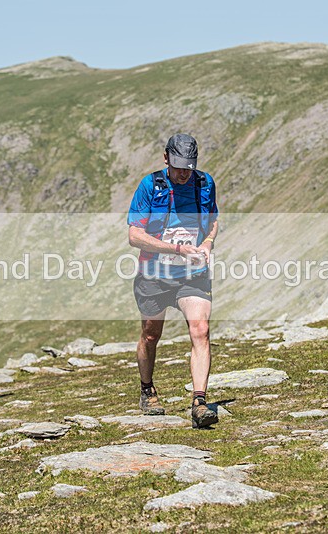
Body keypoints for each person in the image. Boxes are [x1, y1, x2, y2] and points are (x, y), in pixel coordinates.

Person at [127, 133, 220, 429]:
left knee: (200, 329)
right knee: (151, 335)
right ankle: (147, 389)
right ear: (166, 158)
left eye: (189, 167)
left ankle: (199, 402)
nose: (183, 174)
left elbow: (213, 221)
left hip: (192, 275)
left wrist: (207, 244)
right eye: (178, 167)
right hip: (153, 275)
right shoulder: (150, 186)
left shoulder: (204, 183)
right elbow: (134, 236)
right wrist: (176, 249)